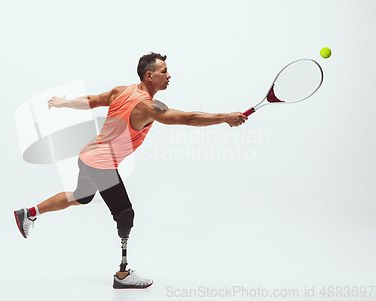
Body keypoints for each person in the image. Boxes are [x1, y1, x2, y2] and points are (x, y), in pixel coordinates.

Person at [14, 52, 247, 289]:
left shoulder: (121, 91)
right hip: (101, 163)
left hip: (87, 156)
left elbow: (92, 100)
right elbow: (188, 119)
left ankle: (30, 212)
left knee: (80, 197)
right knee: (125, 214)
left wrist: (64, 103)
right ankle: (122, 275)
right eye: (164, 71)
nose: (169, 76)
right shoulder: (148, 107)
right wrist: (224, 117)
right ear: (149, 75)